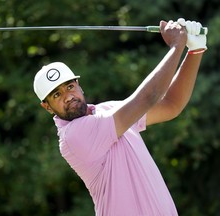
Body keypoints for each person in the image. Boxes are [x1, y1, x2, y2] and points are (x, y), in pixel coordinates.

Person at [33, 18, 207, 216]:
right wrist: (177, 45)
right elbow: (148, 97)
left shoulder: (109, 110)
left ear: (79, 85)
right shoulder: (73, 136)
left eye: (70, 87)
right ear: (46, 107)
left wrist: (195, 51)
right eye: (57, 95)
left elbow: (171, 105)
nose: (68, 96)